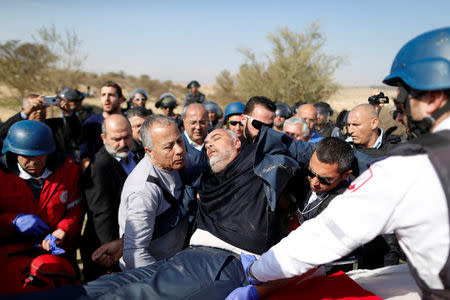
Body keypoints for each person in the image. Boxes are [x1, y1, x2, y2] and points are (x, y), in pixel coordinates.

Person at [227, 27, 450, 300]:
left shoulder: (413, 167)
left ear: (433, 99)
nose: (400, 117)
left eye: (402, 105)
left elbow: (324, 236)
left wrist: (258, 273)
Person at [0, 120, 83, 294]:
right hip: (9, 257)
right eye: (27, 156)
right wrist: (11, 220)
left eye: (40, 155)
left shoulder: (68, 170)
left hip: (56, 255)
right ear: (14, 153)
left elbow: (75, 207)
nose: (34, 162)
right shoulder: (3, 175)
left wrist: (63, 230)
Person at [118, 115, 196, 270]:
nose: (179, 150)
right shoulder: (143, 191)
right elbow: (135, 254)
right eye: (169, 147)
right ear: (149, 151)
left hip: (177, 259)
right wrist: (166, 281)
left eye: (180, 141)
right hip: (152, 274)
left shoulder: (181, 162)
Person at [80, 115, 138, 281]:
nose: (123, 143)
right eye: (116, 139)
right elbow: (102, 215)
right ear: (103, 138)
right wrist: (110, 254)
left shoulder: (135, 156)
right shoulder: (99, 167)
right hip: (105, 251)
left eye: (127, 137)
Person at [0, 93, 81, 159]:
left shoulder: (55, 125)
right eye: (35, 108)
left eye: (43, 108)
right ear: (24, 109)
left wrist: (68, 113)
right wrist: (25, 113)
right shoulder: (17, 126)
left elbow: (75, 133)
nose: (39, 111)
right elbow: (2, 132)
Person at [79, 81, 124, 169]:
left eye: (111, 95)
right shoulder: (91, 123)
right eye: (103, 95)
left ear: (120, 100)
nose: (106, 99)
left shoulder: (128, 122)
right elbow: (84, 155)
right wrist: (93, 172)